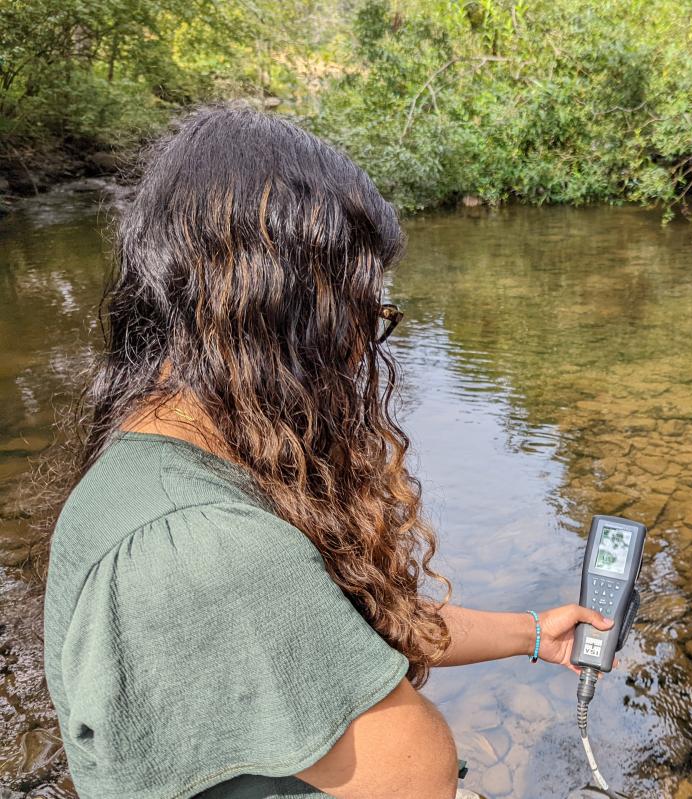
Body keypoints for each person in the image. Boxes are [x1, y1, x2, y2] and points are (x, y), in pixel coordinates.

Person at [40, 105, 613, 799]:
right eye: (362, 312)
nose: (359, 347)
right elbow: (417, 776)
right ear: (284, 309)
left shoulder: (154, 465)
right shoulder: (208, 548)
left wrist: (531, 632)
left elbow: (353, 625)